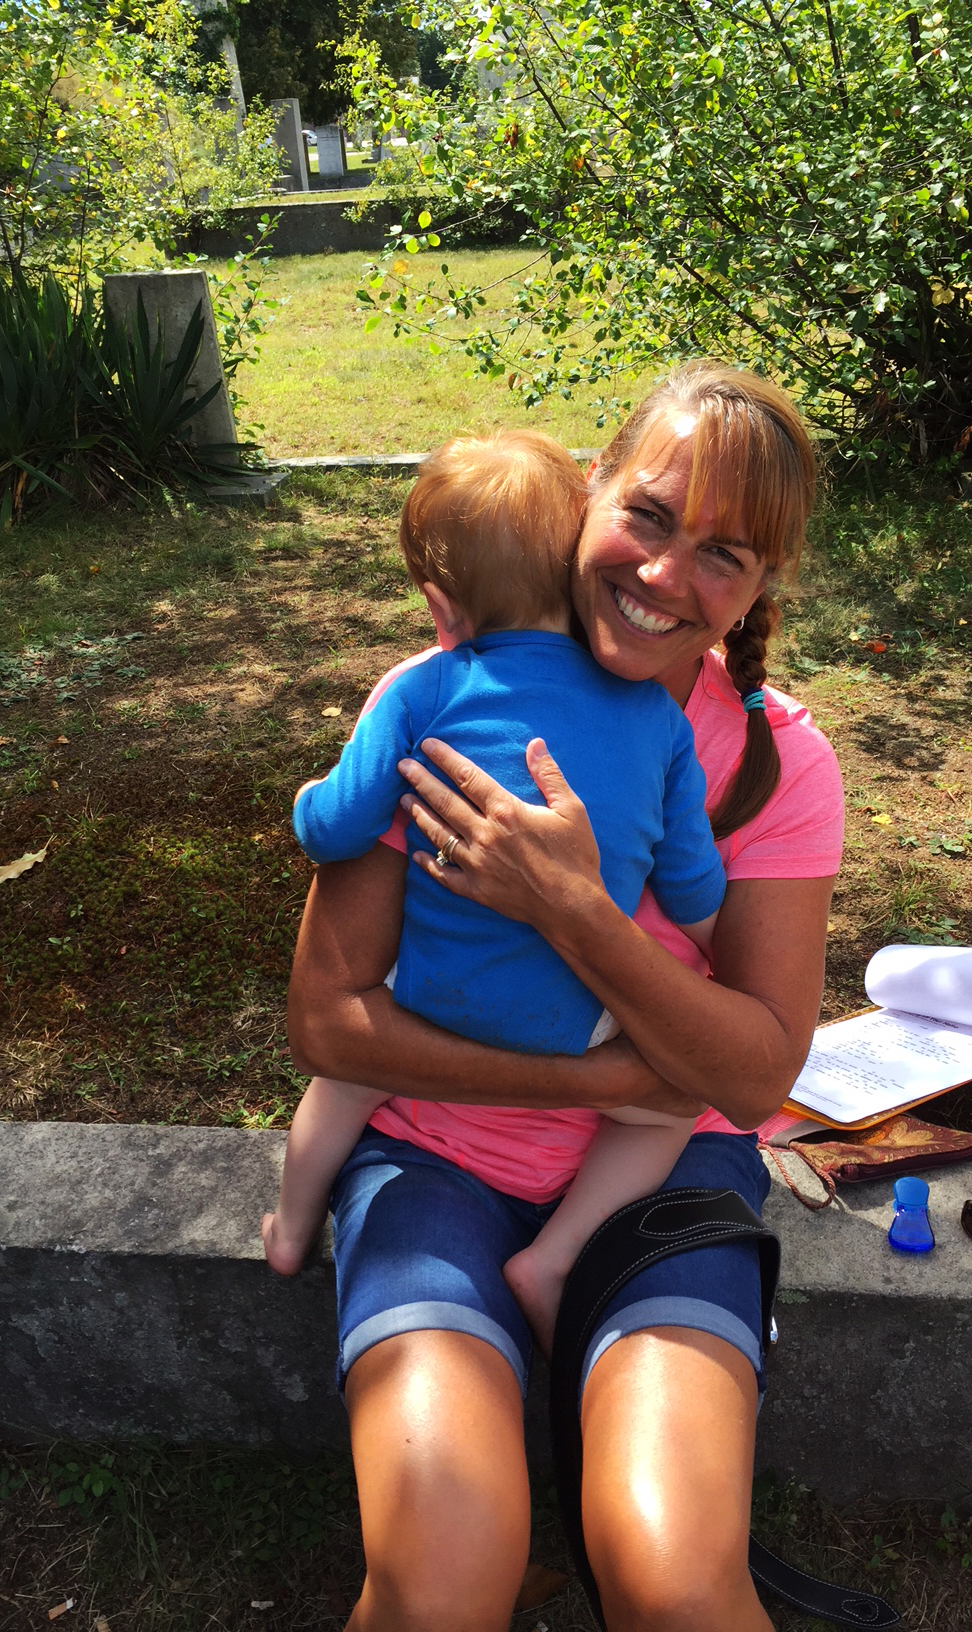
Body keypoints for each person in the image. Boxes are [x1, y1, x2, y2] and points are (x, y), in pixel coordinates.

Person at [286, 361, 844, 1632]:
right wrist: (592, 1080)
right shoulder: (441, 691)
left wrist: (576, 909)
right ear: (591, 490)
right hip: (434, 1165)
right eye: (648, 514)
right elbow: (324, 1020)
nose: (664, 573)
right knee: (438, 1583)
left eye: (723, 554)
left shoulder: (776, 764)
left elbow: (757, 1074)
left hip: (670, 1178)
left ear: (761, 586)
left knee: (678, 1584)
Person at [266, 430, 726, 1351]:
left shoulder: (422, 690)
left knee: (342, 1081)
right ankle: (555, 1257)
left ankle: (288, 1229)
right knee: (670, 1112)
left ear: (440, 603)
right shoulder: (658, 719)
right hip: (579, 1022)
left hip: (429, 1009)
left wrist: (309, 799)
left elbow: (338, 829)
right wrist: (712, 939)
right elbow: (690, 885)